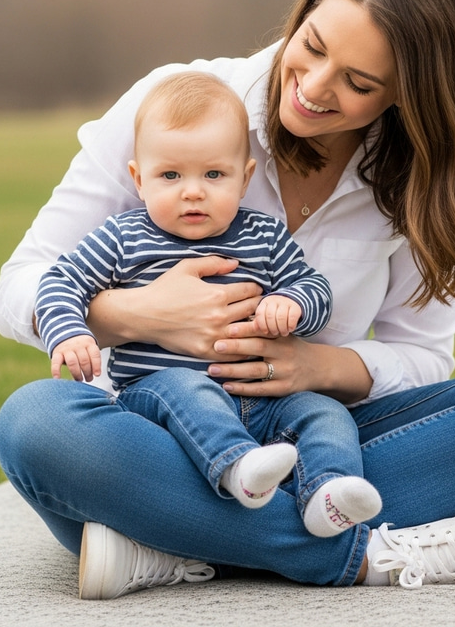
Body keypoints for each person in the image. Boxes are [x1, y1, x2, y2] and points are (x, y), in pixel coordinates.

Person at [0, 0, 455, 598]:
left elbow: (422, 357)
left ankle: (173, 543)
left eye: (358, 83)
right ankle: (372, 555)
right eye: (312, 44)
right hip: (158, 427)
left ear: (406, 97)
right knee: (36, 424)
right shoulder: (172, 109)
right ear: (301, 15)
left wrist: (320, 367)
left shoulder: (419, 175)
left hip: (319, 428)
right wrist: (134, 315)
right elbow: (22, 283)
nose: (312, 86)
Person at [34, 70, 382, 538]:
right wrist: (71, 332)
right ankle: (238, 470)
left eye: (214, 174)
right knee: (187, 390)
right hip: (159, 396)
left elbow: (314, 287)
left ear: (245, 179)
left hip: (260, 399)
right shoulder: (124, 237)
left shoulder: (264, 235)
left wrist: (292, 304)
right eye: (170, 175)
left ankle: (330, 494)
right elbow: (60, 280)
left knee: (325, 413)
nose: (192, 190)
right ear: (139, 179)